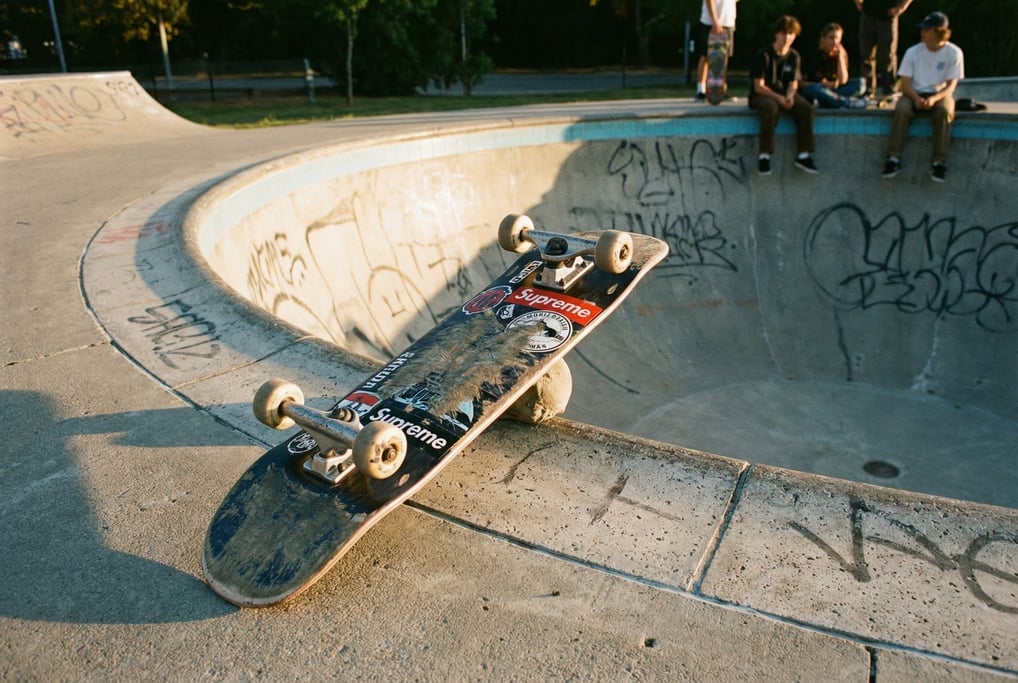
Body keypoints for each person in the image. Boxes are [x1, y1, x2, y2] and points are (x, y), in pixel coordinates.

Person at [881, 11, 964, 183]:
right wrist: (916, 98)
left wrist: (934, 99)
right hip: (913, 93)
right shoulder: (913, 52)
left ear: (938, 32)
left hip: (940, 94)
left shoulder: (954, 53)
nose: (922, 33)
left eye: (927, 30)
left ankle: (938, 161)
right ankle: (893, 158)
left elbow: (951, 86)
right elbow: (905, 84)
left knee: (945, 111)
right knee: (902, 109)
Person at [748, 15, 818, 176]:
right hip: (761, 95)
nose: (787, 38)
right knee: (771, 108)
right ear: (776, 34)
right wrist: (778, 98)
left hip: (783, 93)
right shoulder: (764, 55)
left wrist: (790, 95)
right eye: (783, 33)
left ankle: (803, 154)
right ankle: (764, 155)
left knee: (806, 108)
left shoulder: (794, 56)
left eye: (791, 34)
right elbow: (758, 86)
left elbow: (793, 82)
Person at [853, 0, 913, 96]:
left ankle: (889, 88)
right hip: (868, 13)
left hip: (888, 15)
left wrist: (902, 6)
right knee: (866, 55)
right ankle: (867, 89)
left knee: (888, 55)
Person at [801, 23, 867, 109]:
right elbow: (800, 83)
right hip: (818, 89)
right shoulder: (813, 56)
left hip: (835, 90)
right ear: (823, 39)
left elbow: (843, 80)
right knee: (812, 89)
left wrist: (840, 57)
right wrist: (821, 85)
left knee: (860, 83)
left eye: (837, 38)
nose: (834, 42)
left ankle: (830, 101)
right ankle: (847, 103)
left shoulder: (842, 55)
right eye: (831, 38)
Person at [694, 0, 738, 101]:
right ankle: (701, 91)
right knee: (706, 56)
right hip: (710, 22)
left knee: (724, 57)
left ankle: (720, 90)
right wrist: (715, 20)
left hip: (728, 21)